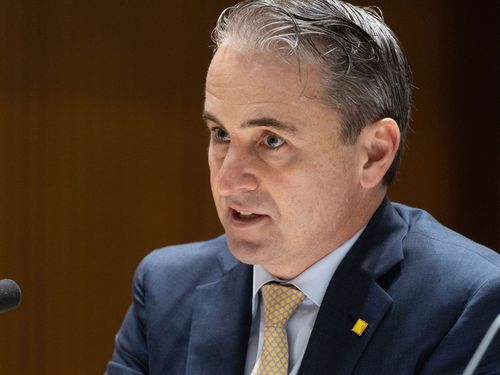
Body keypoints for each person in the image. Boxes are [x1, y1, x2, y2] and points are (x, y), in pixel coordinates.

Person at [105, 1, 500, 374]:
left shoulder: (472, 306)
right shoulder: (166, 289)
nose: (227, 180)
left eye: (271, 140)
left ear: (373, 154)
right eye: (221, 134)